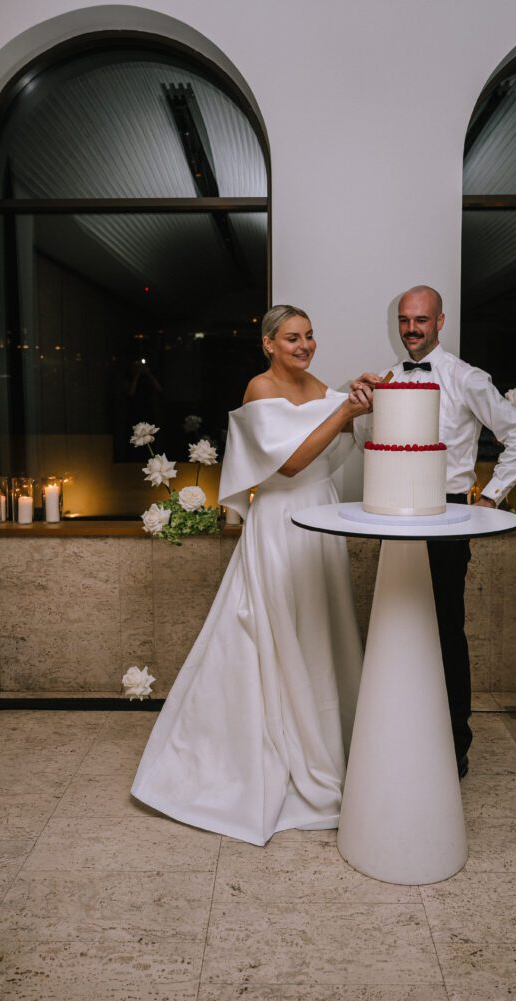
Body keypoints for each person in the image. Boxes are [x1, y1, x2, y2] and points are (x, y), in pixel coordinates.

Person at [132, 305, 372, 845]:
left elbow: (332, 444)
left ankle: (331, 741)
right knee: (280, 627)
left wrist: (354, 396)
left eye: (310, 335)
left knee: (322, 628)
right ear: (268, 344)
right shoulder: (259, 390)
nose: (305, 345)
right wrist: (343, 412)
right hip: (282, 521)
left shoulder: (318, 385)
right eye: (293, 338)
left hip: (322, 515)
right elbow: (288, 464)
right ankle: (264, 750)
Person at [353, 285, 516, 777]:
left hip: (447, 513)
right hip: (392, 513)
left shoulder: (466, 378)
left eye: (421, 320)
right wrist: (361, 407)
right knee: (398, 624)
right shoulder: (388, 378)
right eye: (404, 321)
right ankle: (398, 733)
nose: (411, 329)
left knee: (445, 629)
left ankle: (455, 742)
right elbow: (363, 441)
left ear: (440, 322)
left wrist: (493, 493)